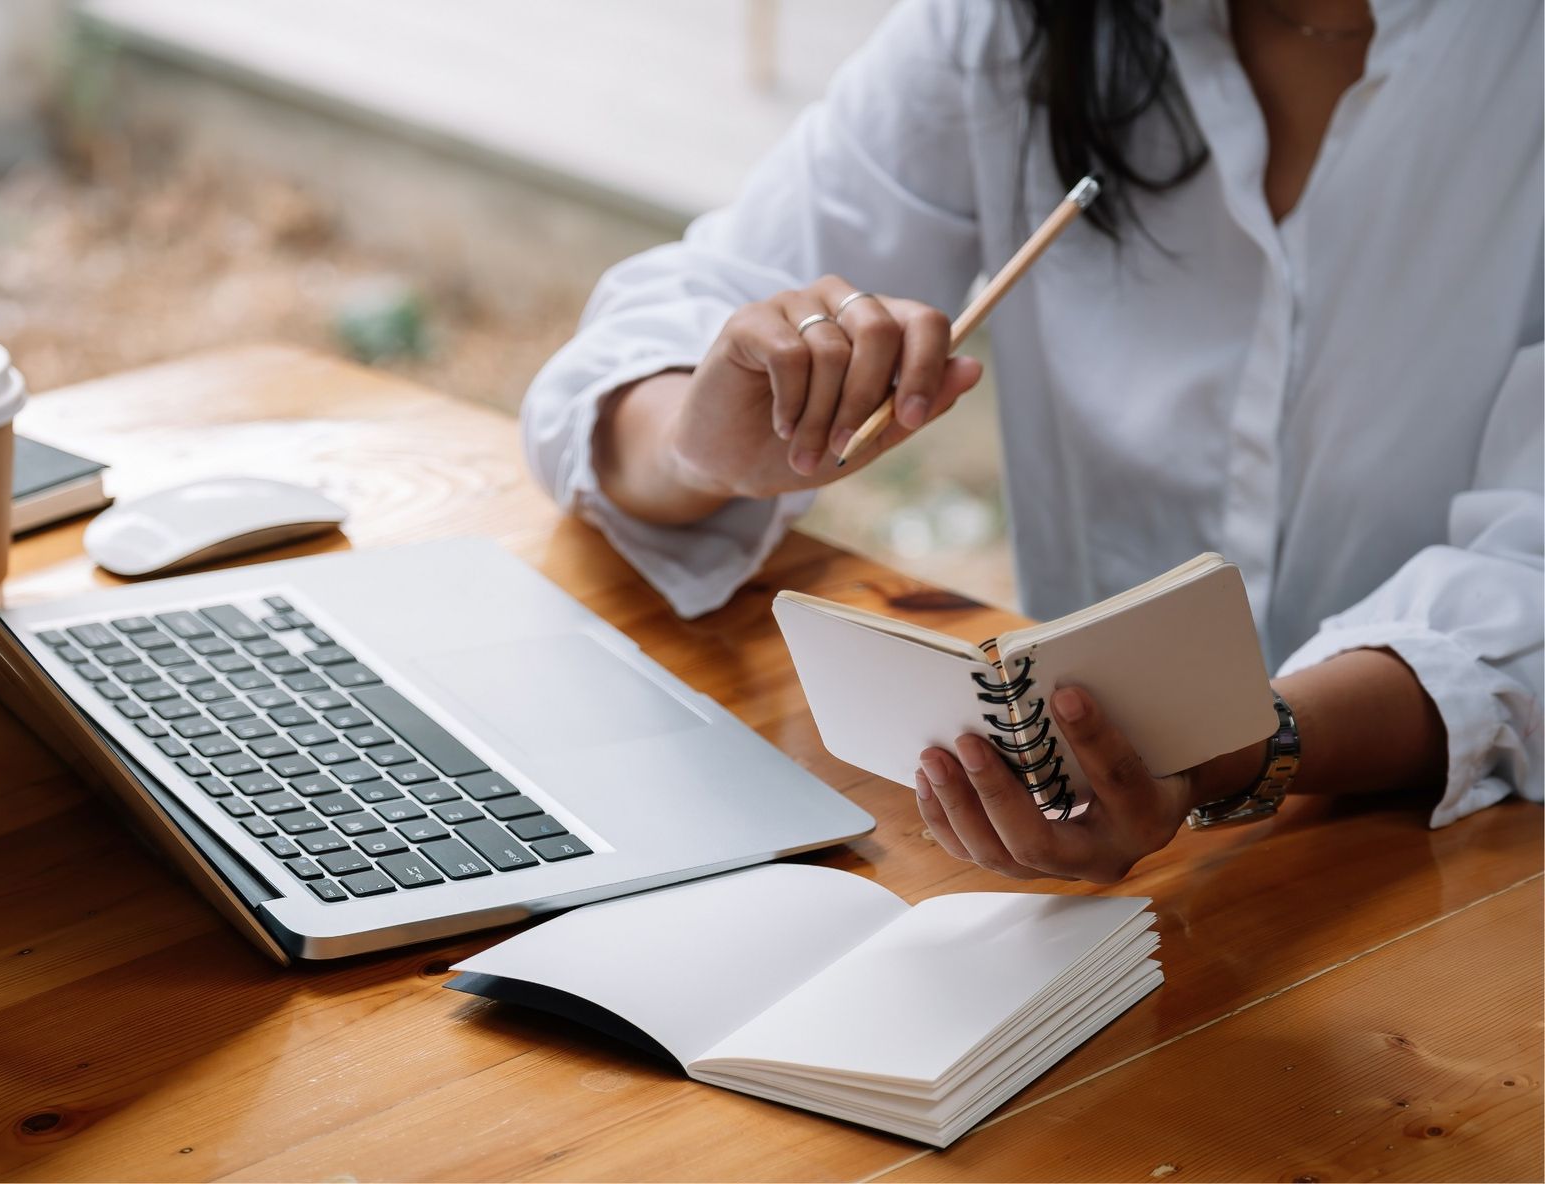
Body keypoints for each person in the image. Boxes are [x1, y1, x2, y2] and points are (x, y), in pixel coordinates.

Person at [521, 0, 1542, 882]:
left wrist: (1235, 746)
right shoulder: (1025, 24)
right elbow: (661, 333)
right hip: (1081, 863)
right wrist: (702, 444)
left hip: (1463, 872)